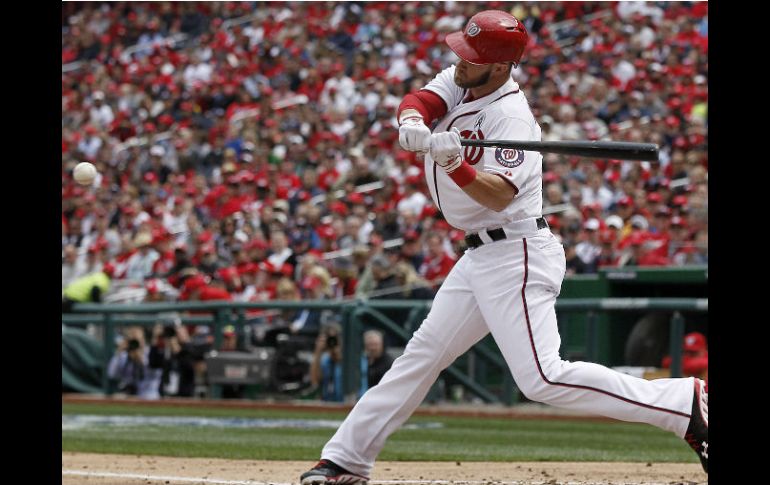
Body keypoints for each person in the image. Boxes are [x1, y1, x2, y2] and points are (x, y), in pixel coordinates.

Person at [300, 11, 708, 485]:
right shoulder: (464, 78)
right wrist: (412, 120)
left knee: (543, 377)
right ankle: (346, 460)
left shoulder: (512, 115)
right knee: (420, 358)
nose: (458, 61)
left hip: (516, 251)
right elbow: (423, 99)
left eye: (471, 56)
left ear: (499, 67)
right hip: (478, 256)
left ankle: (683, 403)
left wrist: (452, 161)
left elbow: (497, 193)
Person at [310, 322, 344, 402]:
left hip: (346, 402)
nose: (331, 342)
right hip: (327, 401)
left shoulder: (350, 356)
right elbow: (315, 381)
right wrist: (318, 351)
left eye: (334, 338)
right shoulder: (324, 358)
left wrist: (337, 352)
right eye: (329, 338)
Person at [359, 330, 394, 396]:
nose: (373, 348)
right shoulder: (362, 361)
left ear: (382, 345)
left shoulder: (389, 362)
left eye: (376, 344)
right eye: (370, 344)